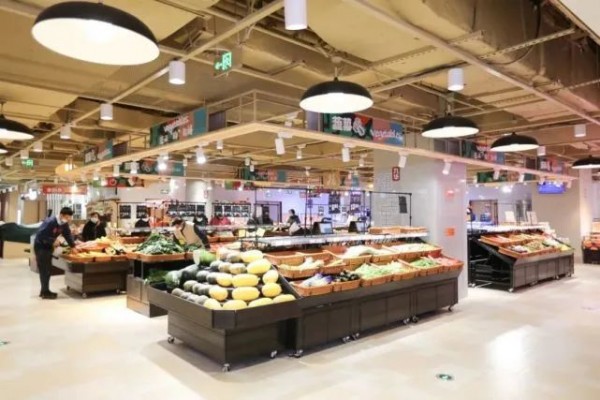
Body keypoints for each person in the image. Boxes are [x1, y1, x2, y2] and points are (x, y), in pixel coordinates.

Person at [34, 207, 78, 299]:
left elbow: (67, 234)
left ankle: (45, 291)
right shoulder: (50, 222)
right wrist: (52, 240)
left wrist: (73, 246)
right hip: (41, 247)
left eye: (70, 217)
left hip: (48, 247)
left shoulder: (64, 224)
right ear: (61, 215)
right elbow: (41, 235)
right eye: (67, 217)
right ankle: (45, 292)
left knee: (48, 269)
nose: (68, 219)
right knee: (44, 270)